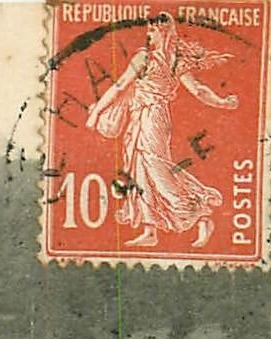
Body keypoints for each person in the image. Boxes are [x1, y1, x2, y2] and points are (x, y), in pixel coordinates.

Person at [85, 14, 238, 248]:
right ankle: (150, 230)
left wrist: (95, 113)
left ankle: (200, 214)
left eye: (153, 31)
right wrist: (222, 102)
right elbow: (198, 90)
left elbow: (120, 87)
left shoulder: (151, 58)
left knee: (157, 170)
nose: (149, 35)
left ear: (163, 32)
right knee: (140, 170)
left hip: (152, 119)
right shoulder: (170, 60)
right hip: (143, 117)